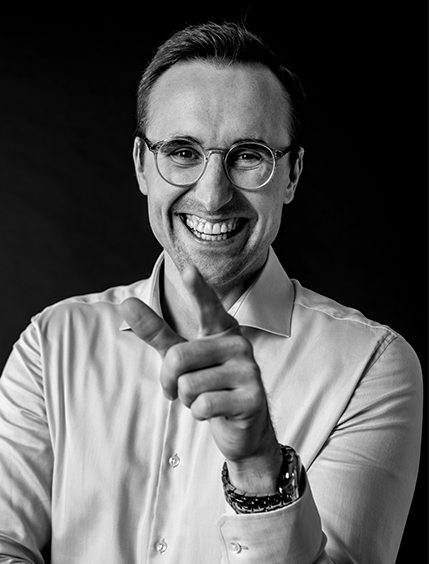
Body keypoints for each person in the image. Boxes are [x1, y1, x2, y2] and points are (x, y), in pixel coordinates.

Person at [0, 21, 422, 564]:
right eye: (182, 151)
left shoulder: (373, 366)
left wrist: (259, 465)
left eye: (248, 155)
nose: (213, 194)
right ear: (142, 166)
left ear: (292, 175)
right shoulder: (51, 344)